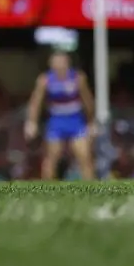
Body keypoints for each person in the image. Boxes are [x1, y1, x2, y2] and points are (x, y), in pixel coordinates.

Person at [23, 49, 95, 181]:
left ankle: (91, 187)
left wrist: (91, 122)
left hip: (75, 120)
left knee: (84, 156)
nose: (60, 65)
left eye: (62, 62)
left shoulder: (78, 78)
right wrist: (31, 122)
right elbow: (35, 103)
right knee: (51, 157)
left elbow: (88, 101)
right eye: (56, 62)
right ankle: (47, 189)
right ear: (51, 64)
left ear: (68, 63)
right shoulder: (45, 80)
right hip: (56, 121)